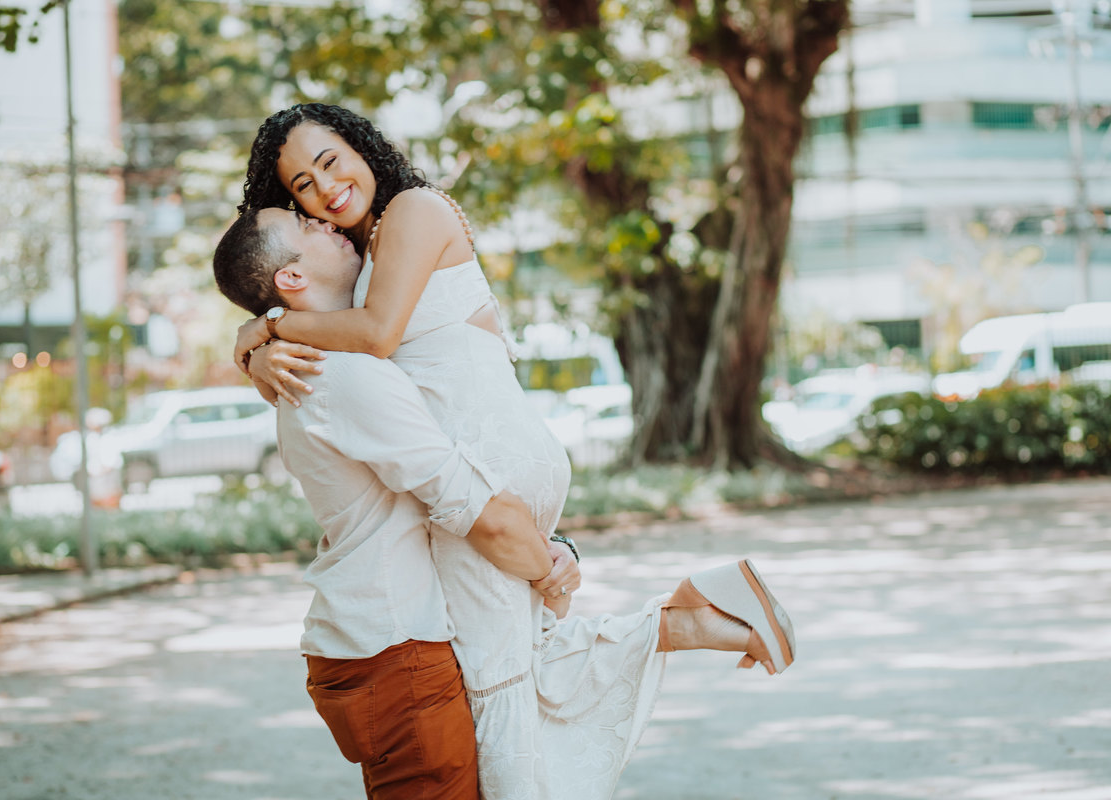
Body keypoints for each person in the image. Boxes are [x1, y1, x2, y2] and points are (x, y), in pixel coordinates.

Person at [216, 121, 795, 794]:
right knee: (520, 658)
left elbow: (374, 336)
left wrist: (267, 326)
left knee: (498, 687)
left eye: (330, 162)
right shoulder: (367, 258)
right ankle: (705, 619)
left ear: (362, 148)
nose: (325, 191)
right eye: (302, 188)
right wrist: (258, 339)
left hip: (479, 460)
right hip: (492, 452)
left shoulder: (411, 211)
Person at [216, 207, 579, 799]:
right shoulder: (341, 374)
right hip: (394, 649)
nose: (327, 222)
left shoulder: (328, 364)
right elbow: (469, 506)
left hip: (386, 641)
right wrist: (551, 574)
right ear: (290, 280)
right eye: (306, 226)